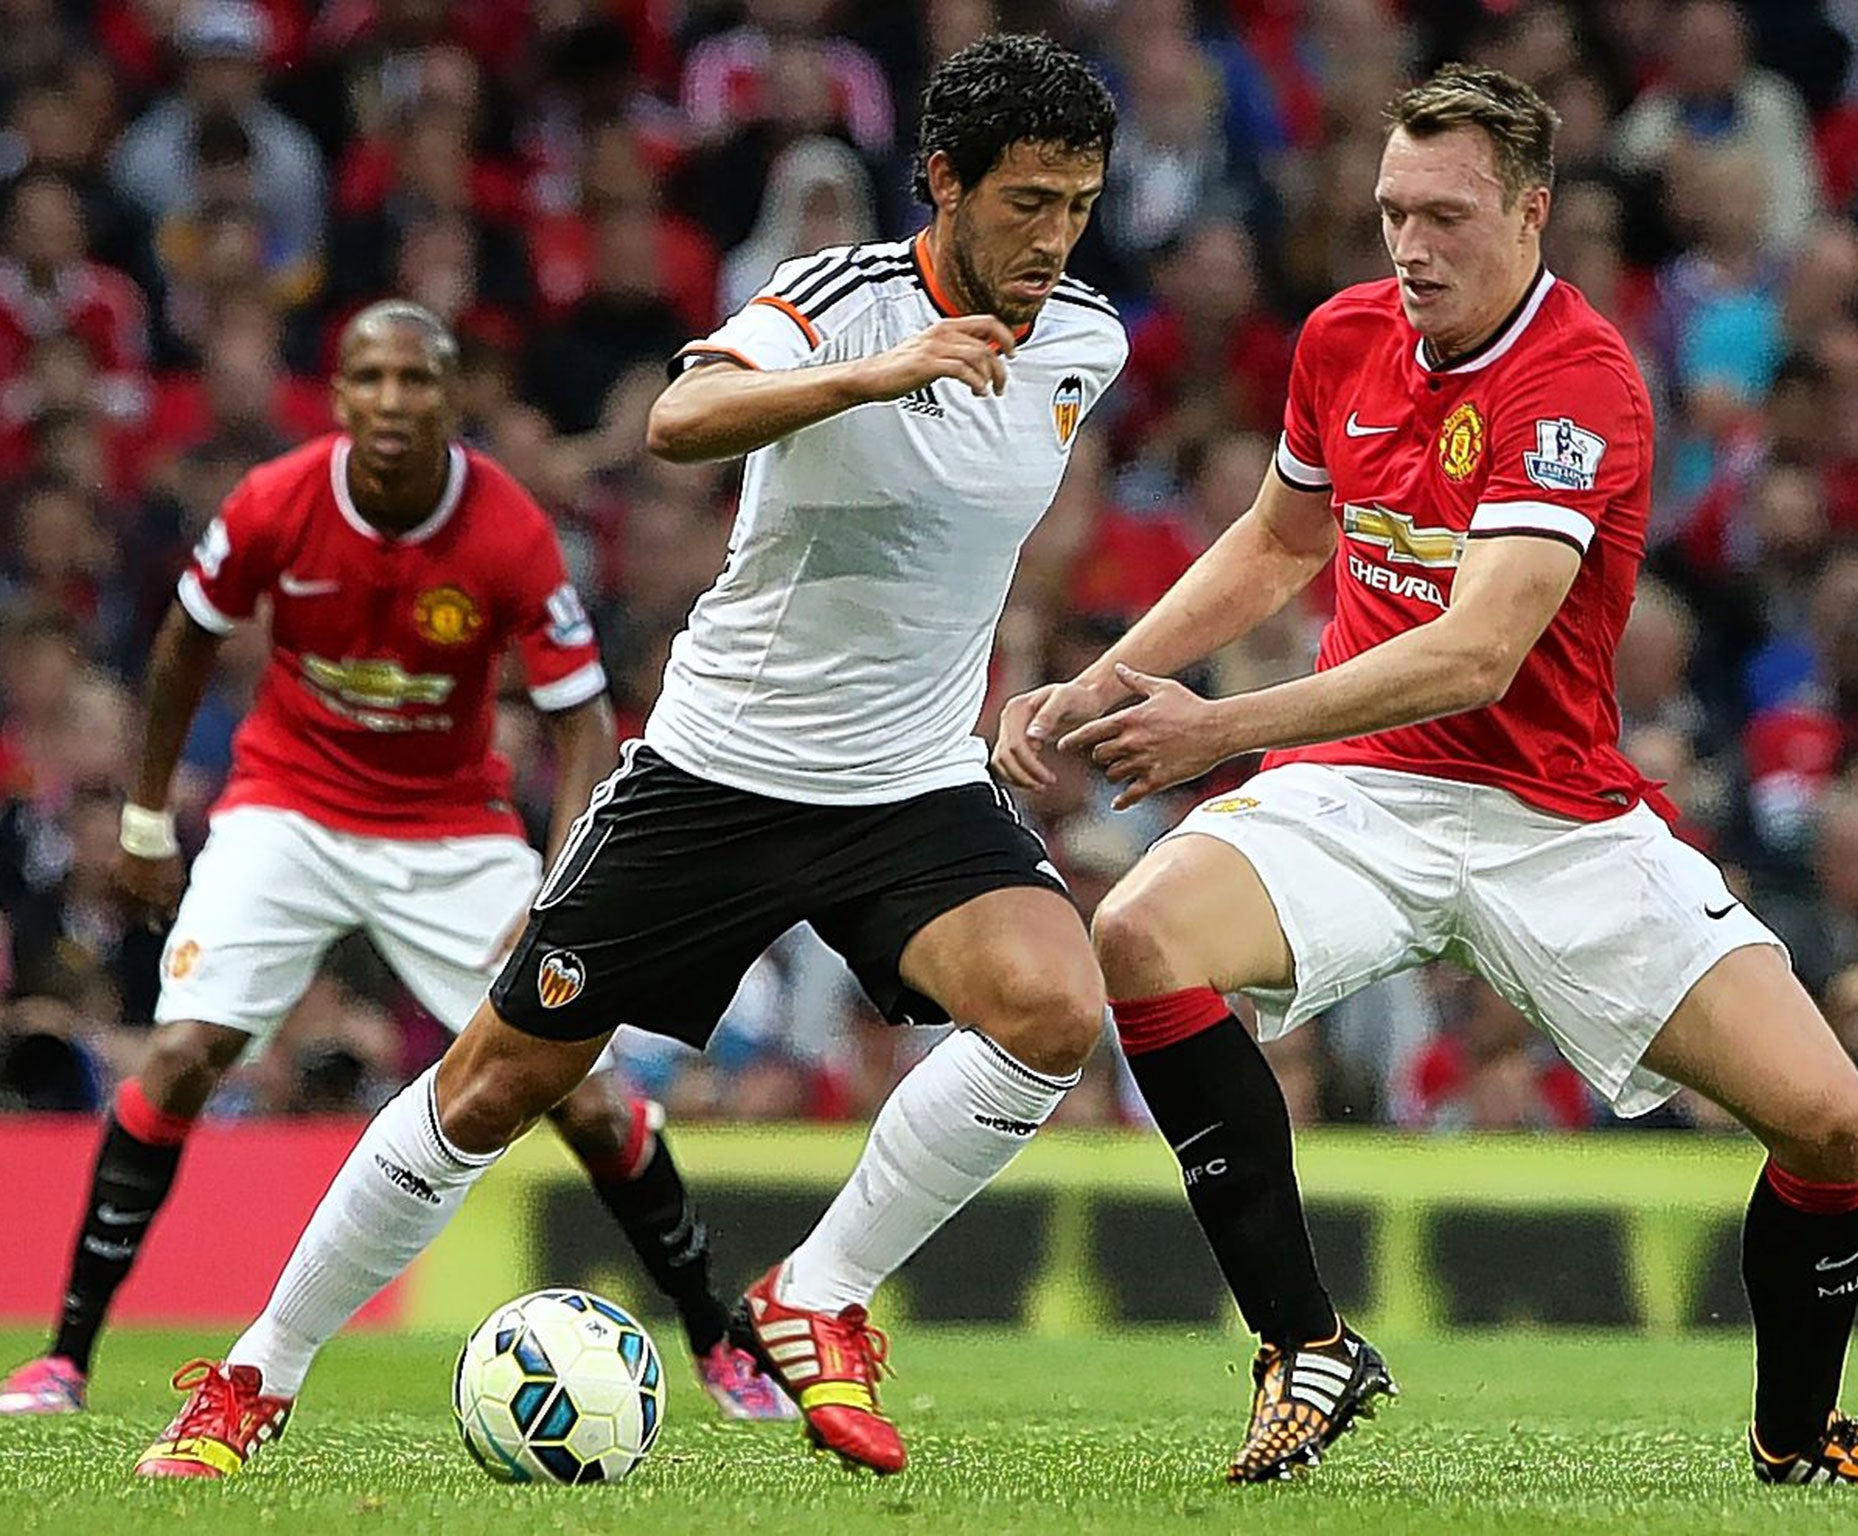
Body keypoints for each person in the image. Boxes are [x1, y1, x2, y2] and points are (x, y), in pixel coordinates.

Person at [131, 34, 1125, 1481]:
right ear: (946, 183)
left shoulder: (1084, 340)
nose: (1054, 236)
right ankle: (252, 1378)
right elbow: (678, 419)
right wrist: (877, 377)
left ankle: (816, 1294)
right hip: (717, 773)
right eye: (1027, 200)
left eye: (1080, 203)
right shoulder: (841, 297)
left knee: (1051, 1008)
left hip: (909, 781)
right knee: (493, 1086)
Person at [996, 64, 1858, 1491]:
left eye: (1444, 216)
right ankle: (1303, 1343)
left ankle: (1799, 1436)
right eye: (1392, 212)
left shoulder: (1582, 384)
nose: (1410, 245)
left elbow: (1479, 653)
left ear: (1530, 215)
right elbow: (1274, 543)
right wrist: (1103, 677)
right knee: (1139, 936)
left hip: (1551, 814)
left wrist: (1223, 726)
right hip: (1364, 788)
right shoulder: (1345, 338)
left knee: (1827, 1123)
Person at [0, 301, 794, 1437]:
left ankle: (721, 1343)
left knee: (577, 1087)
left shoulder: (505, 529)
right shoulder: (276, 501)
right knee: (182, 1053)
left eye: (414, 382)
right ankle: (64, 1356)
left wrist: (558, 883)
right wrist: (138, 816)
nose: (390, 402)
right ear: (339, 398)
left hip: (449, 830)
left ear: (447, 396)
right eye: (367, 379)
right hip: (287, 807)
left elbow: (579, 723)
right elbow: (184, 643)